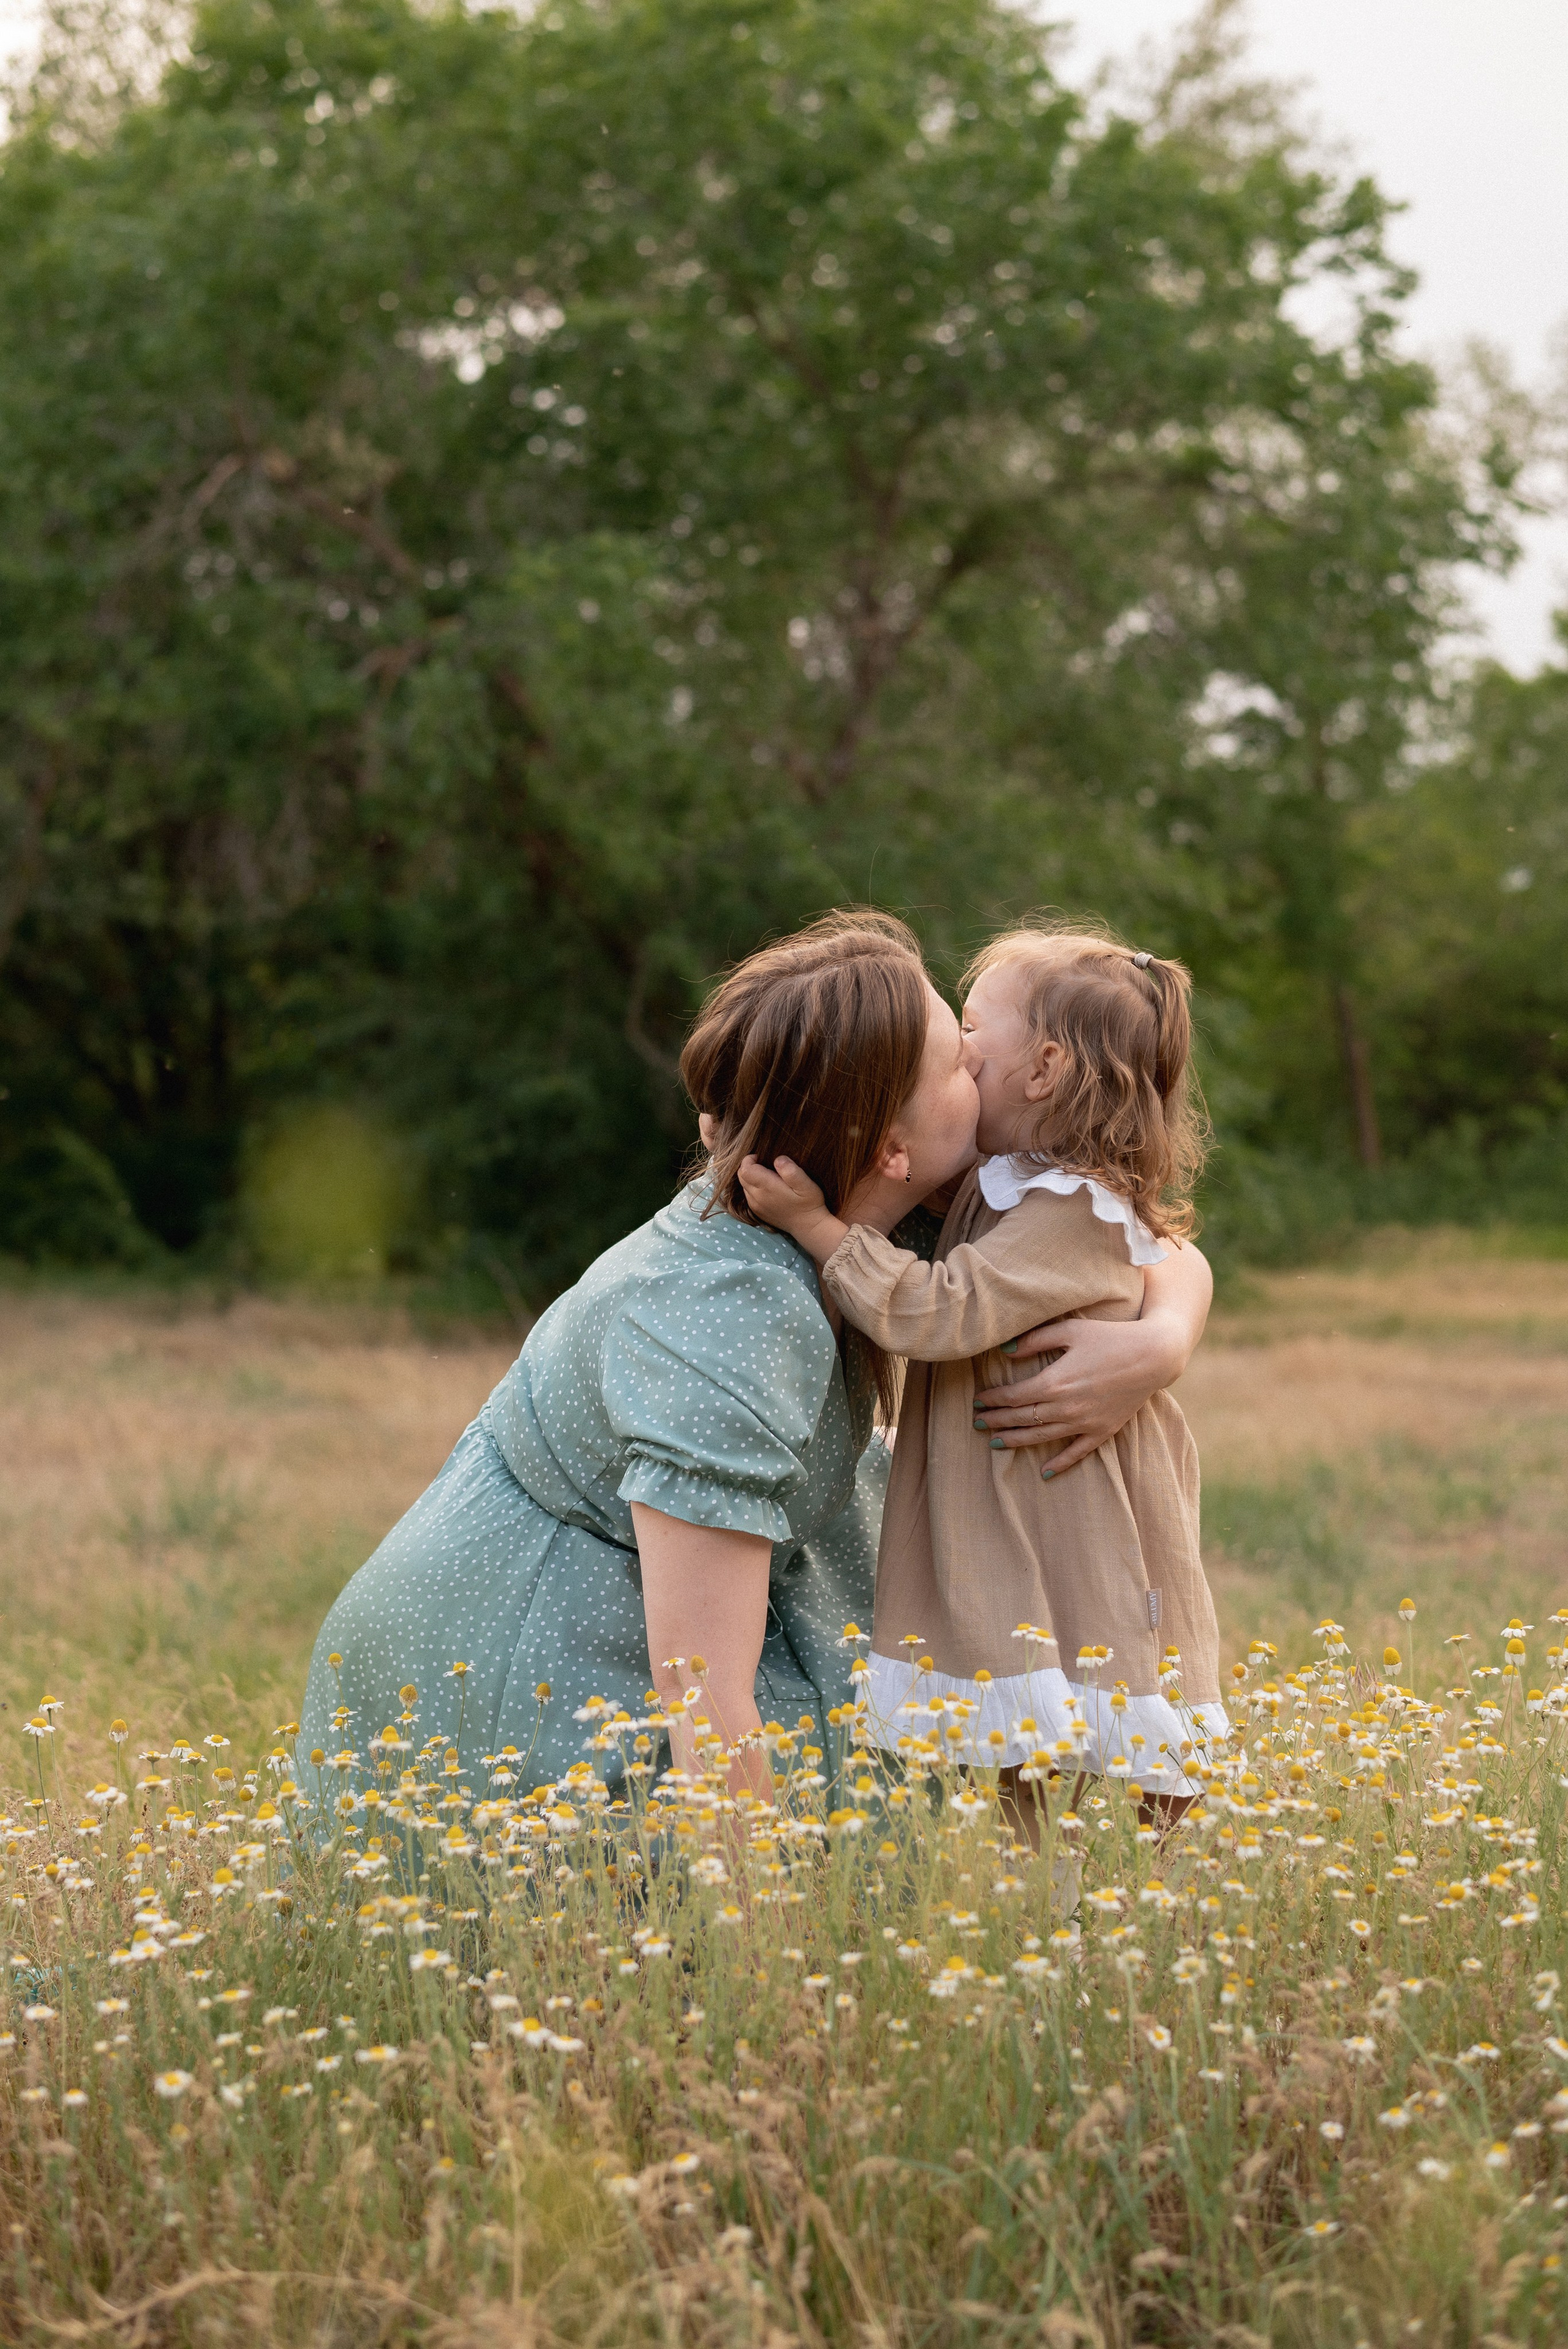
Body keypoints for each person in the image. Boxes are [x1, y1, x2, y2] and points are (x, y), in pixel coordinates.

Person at [293, 911, 1215, 1809]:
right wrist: (754, 1948)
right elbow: (701, 1691)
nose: (981, 1066)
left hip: (642, 1628)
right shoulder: (732, 1311)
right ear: (891, 1149)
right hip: (511, 1688)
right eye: (957, 1058)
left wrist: (1158, 1344)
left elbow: (1139, 1241)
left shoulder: (891, 1206)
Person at [738, 922, 1228, 1827]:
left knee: (1103, 1697)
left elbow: (941, 1312)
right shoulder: (1014, 1183)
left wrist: (816, 1226)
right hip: (1022, 1490)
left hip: (1064, 1500)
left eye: (971, 1029)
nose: (957, 1051)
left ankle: (1153, 1888)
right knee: (1035, 1723)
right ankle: (1051, 1898)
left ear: (1041, 1069)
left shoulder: (1071, 1209)